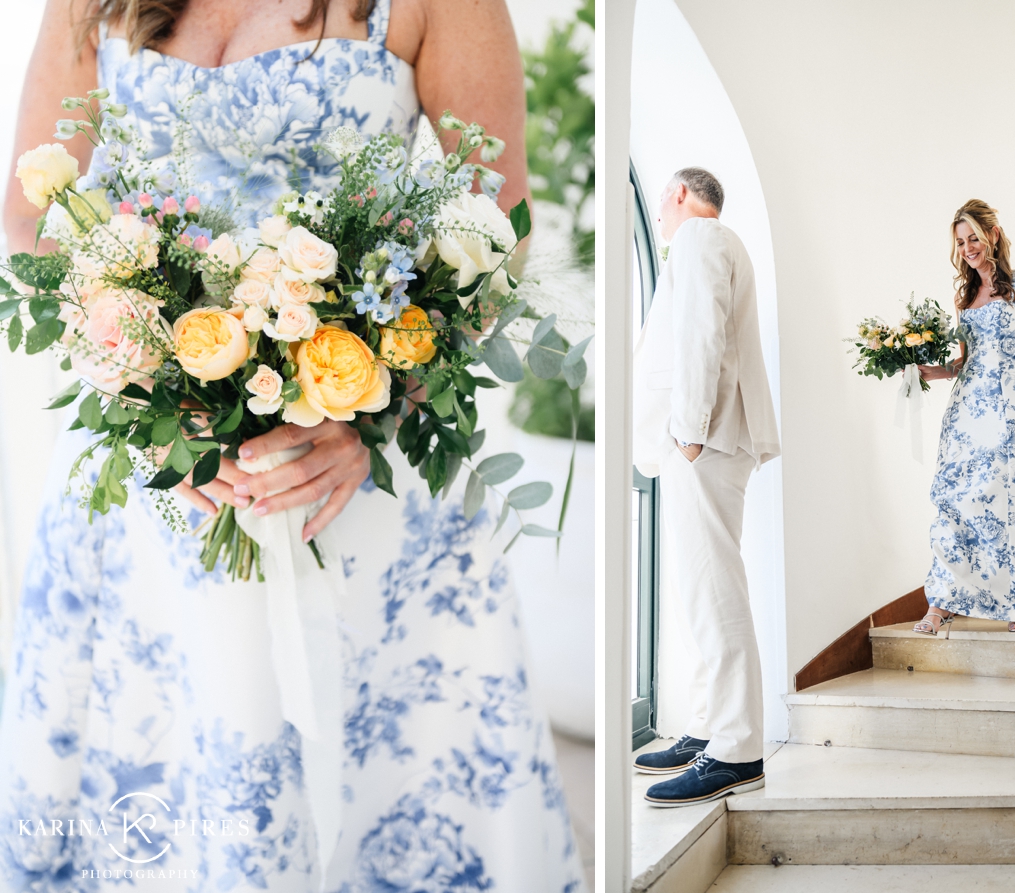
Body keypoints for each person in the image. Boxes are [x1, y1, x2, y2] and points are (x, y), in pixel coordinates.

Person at [0, 1, 583, 888]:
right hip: (151, 481)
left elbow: (496, 227)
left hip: (355, 481)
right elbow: (31, 214)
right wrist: (149, 383)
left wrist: (373, 411)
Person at [630, 168, 780, 807]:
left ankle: (736, 748)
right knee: (700, 587)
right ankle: (706, 727)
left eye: (663, 204)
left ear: (677, 194)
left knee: (715, 587)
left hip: (707, 436)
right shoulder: (720, 242)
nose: (660, 218)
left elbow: (700, 334)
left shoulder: (697, 239)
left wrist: (688, 431)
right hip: (712, 436)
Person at [915, 199, 1015, 636]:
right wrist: (932, 370)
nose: (967, 248)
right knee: (960, 499)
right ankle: (943, 602)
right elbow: (967, 362)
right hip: (968, 413)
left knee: (1012, 498)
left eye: (973, 239)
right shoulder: (964, 296)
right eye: (960, 242)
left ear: (993, 235)